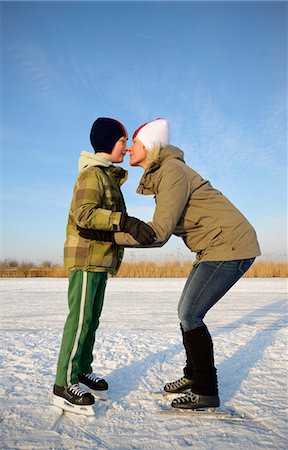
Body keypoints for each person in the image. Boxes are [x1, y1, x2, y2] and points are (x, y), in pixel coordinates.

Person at [79, 118, 261, 411]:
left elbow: (158, 234)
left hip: (229, 245)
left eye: (134, 143)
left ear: (149, 147)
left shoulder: (171, 171)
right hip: (214, 247)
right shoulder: (165, 173)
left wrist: (108, 236)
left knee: (190, 313)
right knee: (186, 312)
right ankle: (193, 377)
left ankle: (206, 390)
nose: (128, 150)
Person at [53, 117, 155, 415]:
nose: (126, 147)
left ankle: (82, 369)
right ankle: (63, 384)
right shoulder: (92, 175)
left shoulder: (107, 176)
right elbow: (84, 214)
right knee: (80, 320)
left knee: (91, 319)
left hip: (100, 260)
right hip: (86, 259)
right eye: (123, 142)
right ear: (109, 142)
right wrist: (123, 220)